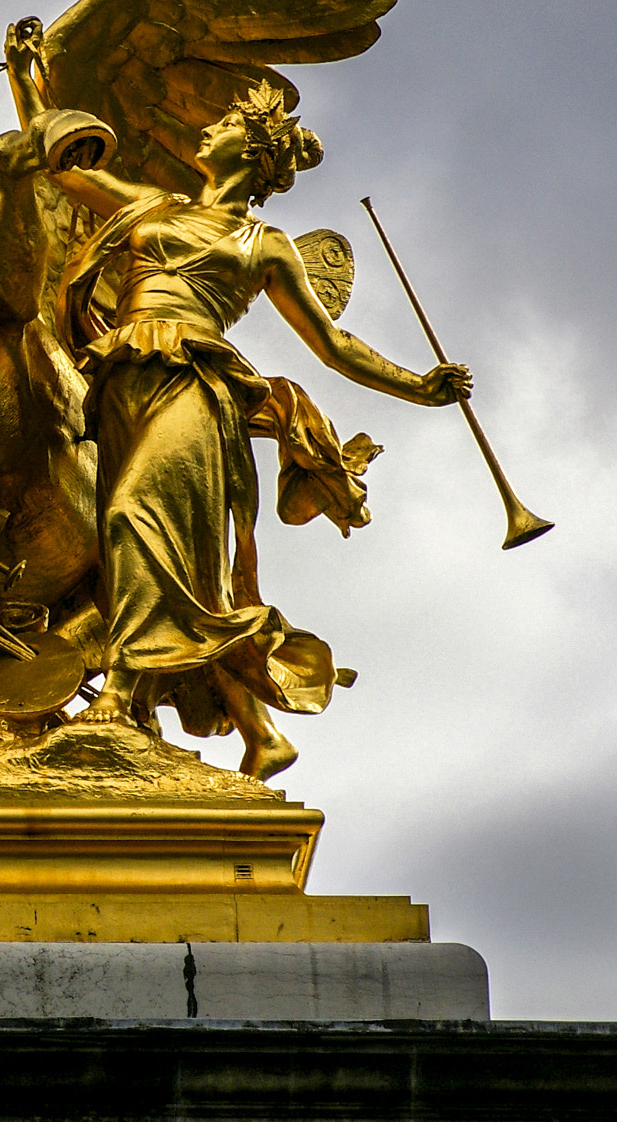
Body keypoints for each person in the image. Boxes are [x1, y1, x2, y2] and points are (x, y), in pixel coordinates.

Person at [33, 66, 472, 779]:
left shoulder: (264, 245)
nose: (208, 126)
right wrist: (31, 81)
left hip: (194, 386)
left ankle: (118, 694)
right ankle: (259, 733)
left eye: (226, 121)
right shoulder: (154, 204)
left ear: (255, 149)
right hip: (117, 382)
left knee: (129, 516)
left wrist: (418, 388)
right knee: (144, 560)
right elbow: (64, 166)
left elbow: (331, 346)